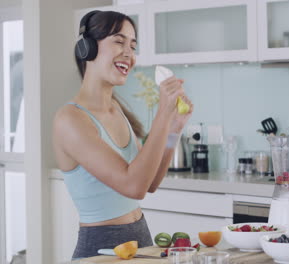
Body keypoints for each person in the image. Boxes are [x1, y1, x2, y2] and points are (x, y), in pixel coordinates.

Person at [52, 10, 193, 260]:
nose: (129, 53)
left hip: (142, 239)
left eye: (133, 45)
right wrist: (162, 113)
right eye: (118, 41)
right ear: (88, 48)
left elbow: (150, 182)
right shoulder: (70, 119)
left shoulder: (116, 110)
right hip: (101, 249)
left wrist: (174, 129)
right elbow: (134, 186)